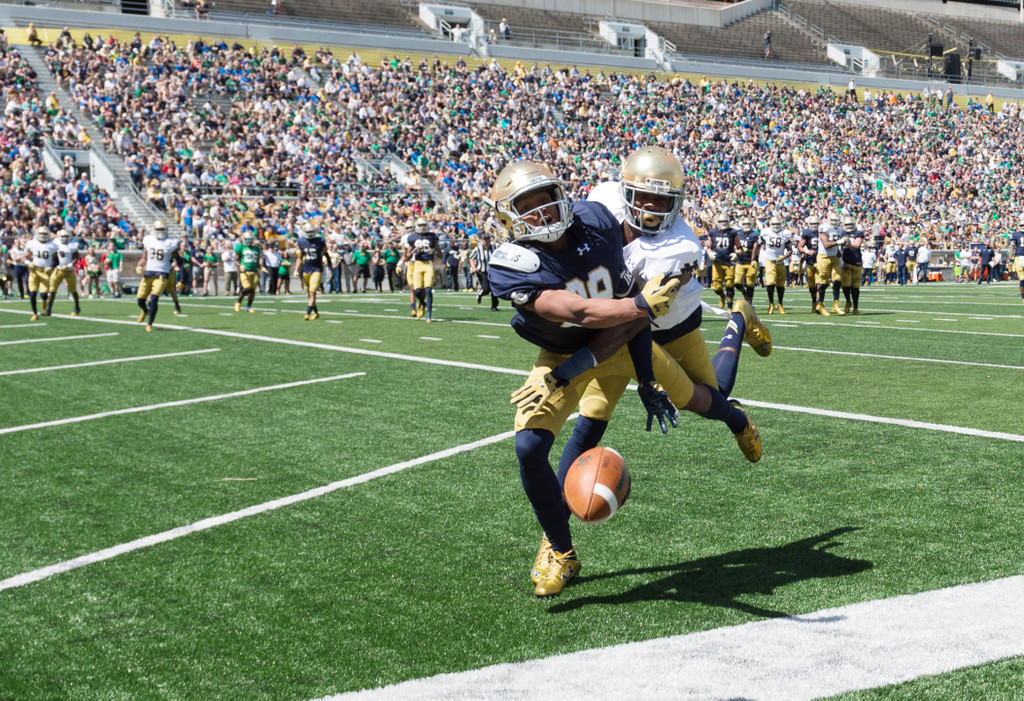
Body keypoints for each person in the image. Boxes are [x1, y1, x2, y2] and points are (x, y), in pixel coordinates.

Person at [486, 160, 682, 597]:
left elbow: (626, 309)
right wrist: (641, 306)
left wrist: (647, 379)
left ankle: (738, 416)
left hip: (622, 339)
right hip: (564, 351)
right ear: (507, 217)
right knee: (529, 446)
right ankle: (560, 549)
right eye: (528, 206)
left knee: (697, 397)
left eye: (547, 199)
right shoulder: (511, 262)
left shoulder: (596, 220)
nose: (544, 212)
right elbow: (579, 311)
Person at [134, 220, 180, 333]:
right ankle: (145, 310)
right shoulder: (148, 240)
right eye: (158, 230)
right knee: (140, 300)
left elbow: (177, 257)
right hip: (148, 273)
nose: (160, 232)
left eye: (162, 229)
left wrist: (177, 265)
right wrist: (139, 266)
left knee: (154, 298)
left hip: (162, 274)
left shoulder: (171, 242)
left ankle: (149, 323)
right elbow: (144, 258)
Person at [753, 213, 792, 314]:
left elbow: (790, 250)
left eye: (777, 224)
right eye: (774, 224)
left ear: (781, 224)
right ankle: (771, 303)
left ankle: (780, 303)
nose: (775, 226)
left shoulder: (785, 233)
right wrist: (754, 258)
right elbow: (757, 245)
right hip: (769, 261)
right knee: (770, 283)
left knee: (780, 285)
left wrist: (784, 256)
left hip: (780, 262)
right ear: (770, 224)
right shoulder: (765, 232)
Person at [406, 218, 440, 322]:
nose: (422, 227)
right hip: (418, 264)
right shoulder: (412, 237)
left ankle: (429, 315)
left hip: (429, 263)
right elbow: (407, 255)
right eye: (420, 225)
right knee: (416, 290)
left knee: (428, 289)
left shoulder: (432, 236)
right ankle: (422, 303)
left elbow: (440, 253)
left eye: (424, 225)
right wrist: (413, 252)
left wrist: (433, 251)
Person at [297, 220, 329, 320]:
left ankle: (307, 313)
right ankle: (316, 313)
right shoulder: (301, 241)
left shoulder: (320, 241)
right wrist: (296, 269)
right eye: (308, 232)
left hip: (317, 268)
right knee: (310, 294)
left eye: (311, 231)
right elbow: (299, 257)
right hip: (306, 269)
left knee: (312, 292)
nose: (310, 234)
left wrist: (329, 265)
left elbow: (326, 253)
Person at [815, 212, 846, 315]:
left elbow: (837, 246)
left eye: (836, 221)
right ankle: (820, 305)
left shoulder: (838, 229)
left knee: (838, 280)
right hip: (824, 256)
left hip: (834, 257)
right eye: (833, 221)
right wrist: (839, 242)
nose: (834, 223)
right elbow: (826, 244)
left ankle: (836, 305)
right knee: (824, 282)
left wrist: (840, 256)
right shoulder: (824, 228)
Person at [47, 229, 82, 316]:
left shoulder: (72, 245)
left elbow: (76, 257)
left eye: (66, 236)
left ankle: (77, 307)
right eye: (63, 236)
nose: (64, 238)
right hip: (59, 269)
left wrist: (71, 264)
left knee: (73, 290)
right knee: (52, 289)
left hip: (69, 270)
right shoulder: (56, 243)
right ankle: (48, 309)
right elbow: (53, 253)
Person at [707, 211, 738, 310]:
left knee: (729, 284)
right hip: (717, 262)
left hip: (729, 262)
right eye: (721, 221)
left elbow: (740, 247)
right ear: (717, 222)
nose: (723, 223)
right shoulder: (712, 232)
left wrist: (736, 253)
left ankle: (729, 307)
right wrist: (710, 253)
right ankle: (722, 296)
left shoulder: (733, 232)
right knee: (716, 287)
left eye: (725, 221)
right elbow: (709, 247)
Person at [26, 227, 58, 321]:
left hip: (45, 272)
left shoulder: (52, 245)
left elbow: (56, 259)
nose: (43, 236)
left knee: (43, 294)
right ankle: (35, 313)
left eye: (45, 234)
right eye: (41, 234)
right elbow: (23, 257)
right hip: (35, 271)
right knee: (32, 293)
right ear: (38, 235)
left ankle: (44, 300)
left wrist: (52, 266)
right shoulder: (33, 244)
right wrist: (28, 263)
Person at [838, 216, 864, 314]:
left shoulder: (858, 233)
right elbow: (839, 249)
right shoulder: (841, 233)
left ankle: (856, 307)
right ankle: (848, 301)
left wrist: (846, 242)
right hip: (845, 261)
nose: (849, 227)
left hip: (856, 260)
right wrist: (840, 261)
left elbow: (856, 245)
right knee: (845, 286)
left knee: (855, 287)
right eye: (847, 225)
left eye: (850, 225)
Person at [798, 214, 822, 313]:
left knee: (819, 284)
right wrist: (807, 252)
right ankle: (814, 302)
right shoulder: (807, 233)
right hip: (810, 261)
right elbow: (800, 246)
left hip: (821, 261)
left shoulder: (823, 232)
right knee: (812, 286)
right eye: (812, 224)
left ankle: (819, 303)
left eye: (816, 224)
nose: (814, 226)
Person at [733, 215, 760, 305]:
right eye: (744, 224)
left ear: (751, 224)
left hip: (751, 262)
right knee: (736, 282)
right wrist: (736, 250)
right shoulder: (738, 233)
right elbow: (734, 245)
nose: (746, 226)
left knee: (750, 283)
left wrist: (749, 252)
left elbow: (757, 248)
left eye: (748, 224)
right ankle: (745, 293)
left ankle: (750, 302)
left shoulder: (755, 235)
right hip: (740, 261)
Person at [470, 233, 499, 311]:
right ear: (481, 240)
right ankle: (481, 293)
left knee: (494, 289)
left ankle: (494, 306)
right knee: (486, 289)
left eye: (488, 239)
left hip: (493, 271)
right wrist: (473, 267)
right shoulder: (478, 249)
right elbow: (471, 258)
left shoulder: (494, 247)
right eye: (485, 239)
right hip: (482, 271)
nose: (487, 241)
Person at [234, 233, 261, 313]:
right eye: (247, 239)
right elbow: (235, 260)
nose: (249, 241)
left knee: (252, 290)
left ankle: (248, 307)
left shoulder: (256, 248)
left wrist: (261, 267)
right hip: (245, 271)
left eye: (250, 239)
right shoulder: (241, 247)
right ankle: (238, 302)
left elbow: (257, 262)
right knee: (247, 287)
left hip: (254, 271)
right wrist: (240, 265)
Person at [1011, 217, 1024, 305]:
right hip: (1019, 256)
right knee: (1022, 278)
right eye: (1022, 225)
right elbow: (1012, 246)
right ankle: (1023, 297)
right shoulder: (1015, 234)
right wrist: (1010, 258)